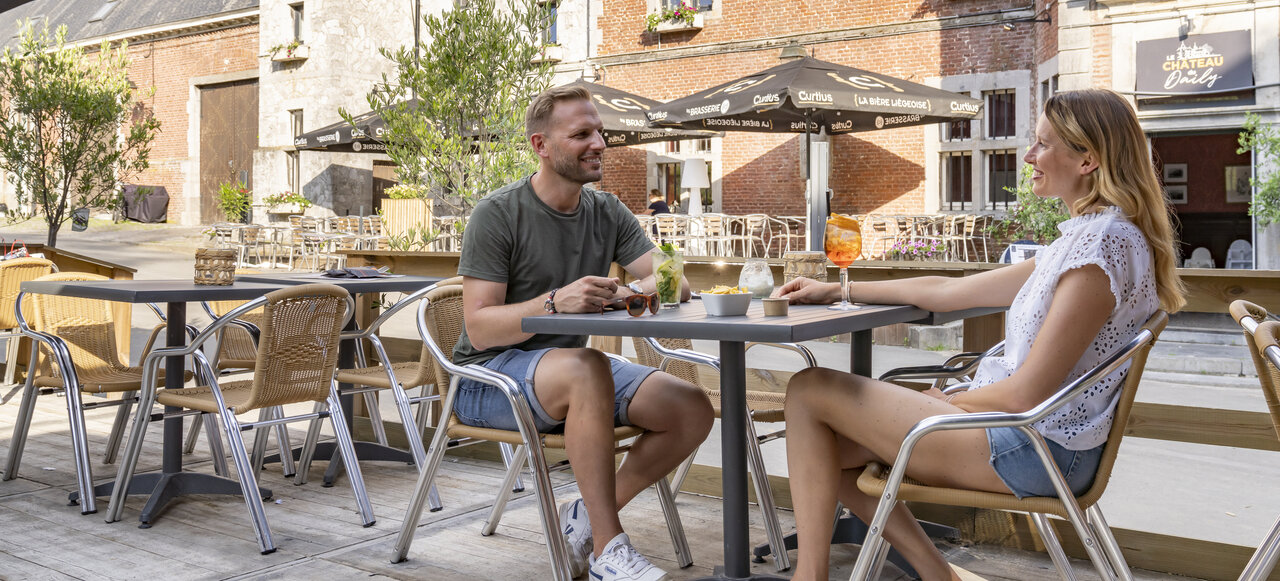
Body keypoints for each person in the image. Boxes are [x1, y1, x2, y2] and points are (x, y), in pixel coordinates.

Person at [777, 89, 1185, 581]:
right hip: (1031, 438)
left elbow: (1025, 392)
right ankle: (936, 573)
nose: (1029, 157)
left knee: (809, 389)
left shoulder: (1101, 248)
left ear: (1088, 160)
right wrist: (837, 288)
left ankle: (810, 577)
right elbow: (950, 292)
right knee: (829, 448)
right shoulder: (1085, 239)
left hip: (1033, 447)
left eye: (1042, 145)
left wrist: (951, 403)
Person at [455, 84, 714, 581]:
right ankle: (607, 548)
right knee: (588, 366)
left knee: (690, 408)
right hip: (484, 379)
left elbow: (674, 282)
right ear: (541, 146)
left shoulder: (607, 211)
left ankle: (586, 514)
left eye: (600, 131)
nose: (598, 143)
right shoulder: (498, 213)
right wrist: (557, 301)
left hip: (572, 373)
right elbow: (479, 327)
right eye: (581, 134)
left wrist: (627, 293)